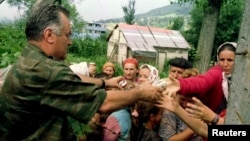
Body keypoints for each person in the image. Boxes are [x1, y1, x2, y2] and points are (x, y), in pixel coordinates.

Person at [0, 4, 162, 141]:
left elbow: (71, 78)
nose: (70, 42)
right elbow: (104, 103)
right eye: (67, 35)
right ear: (49, 35)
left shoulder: (30, 58)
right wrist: (140, 92)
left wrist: (105, 82)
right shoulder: (47, 70)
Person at [164, 42, 237, 114]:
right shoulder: (217, 73)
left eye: (230, 60)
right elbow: (203, 81)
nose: (225, 64)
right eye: (222, 60)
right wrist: (181, 84)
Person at [158, 57, 202, 141]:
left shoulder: (202, 104)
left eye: (179, 72)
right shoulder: (170, 106)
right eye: (173, 71)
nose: (175, 76)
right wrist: (195, 128)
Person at [155, 94, 225, 139]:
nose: (186, 104)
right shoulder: (170, 112)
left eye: (190, 101)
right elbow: (204, 130)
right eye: (182, 99)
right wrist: (177, 109)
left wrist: (213, 118)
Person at [132, 64, 162, 141]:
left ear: (154, 78)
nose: (141, 79)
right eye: (140, 76)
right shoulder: (133, 92)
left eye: (145, 77)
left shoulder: (158, 97)